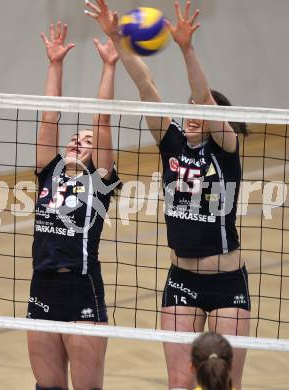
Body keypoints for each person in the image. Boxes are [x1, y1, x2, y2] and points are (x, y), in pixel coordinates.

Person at [85, 1, 250, 389]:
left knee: (226, 383)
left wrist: (186, 49)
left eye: (201, 109)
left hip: (226, 283)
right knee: (178, 382)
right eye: (188, 106)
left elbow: (205, 98)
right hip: (180, 280)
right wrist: (117, 39)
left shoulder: (225, 150)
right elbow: (147, 85)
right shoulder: (170, 140)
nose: (193, 112)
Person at [27, 21, 120, 390]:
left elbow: (102, 121)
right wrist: (55, 64)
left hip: (82, 290)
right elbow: (50, 115)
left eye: (87, 141)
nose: (78, 142)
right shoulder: (48, 171)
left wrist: (109, 66)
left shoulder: (99, 183)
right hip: (42, 288)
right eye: (74, 138)